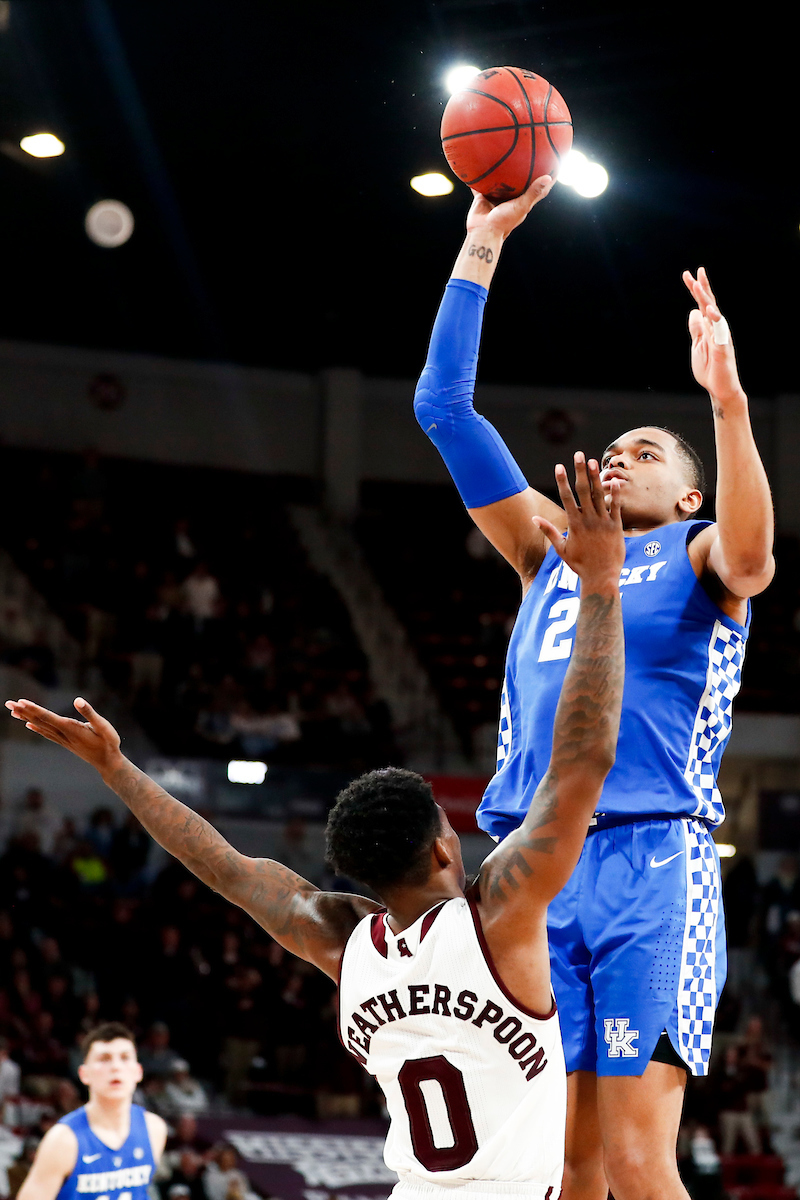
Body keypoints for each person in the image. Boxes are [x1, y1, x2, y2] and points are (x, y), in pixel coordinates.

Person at [8, 458, 626, 1200]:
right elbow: (584, 758)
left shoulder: (341, 941)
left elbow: (225, 867)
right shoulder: (500, 913)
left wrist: (117, 770)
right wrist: (600, 586)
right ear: (441, 846)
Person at [412, 176, 774, 1200]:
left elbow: (753, 555)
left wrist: (727, 401)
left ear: (685, 492)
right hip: (528, 869)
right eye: (610, 450)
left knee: (630, 1159)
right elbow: (441, 410)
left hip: (649, 860)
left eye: (646, 451)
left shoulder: (701, 553)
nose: (620, 459)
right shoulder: (548, 551)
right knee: (557, 1166)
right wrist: (478, 246)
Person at [16, 1022, 167, 1200]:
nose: (116, 1067)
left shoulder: (154, 1129)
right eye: (104, 1059)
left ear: (138, 1071)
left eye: (125, 1057)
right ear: (84, 1074)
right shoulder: (63, 1140)